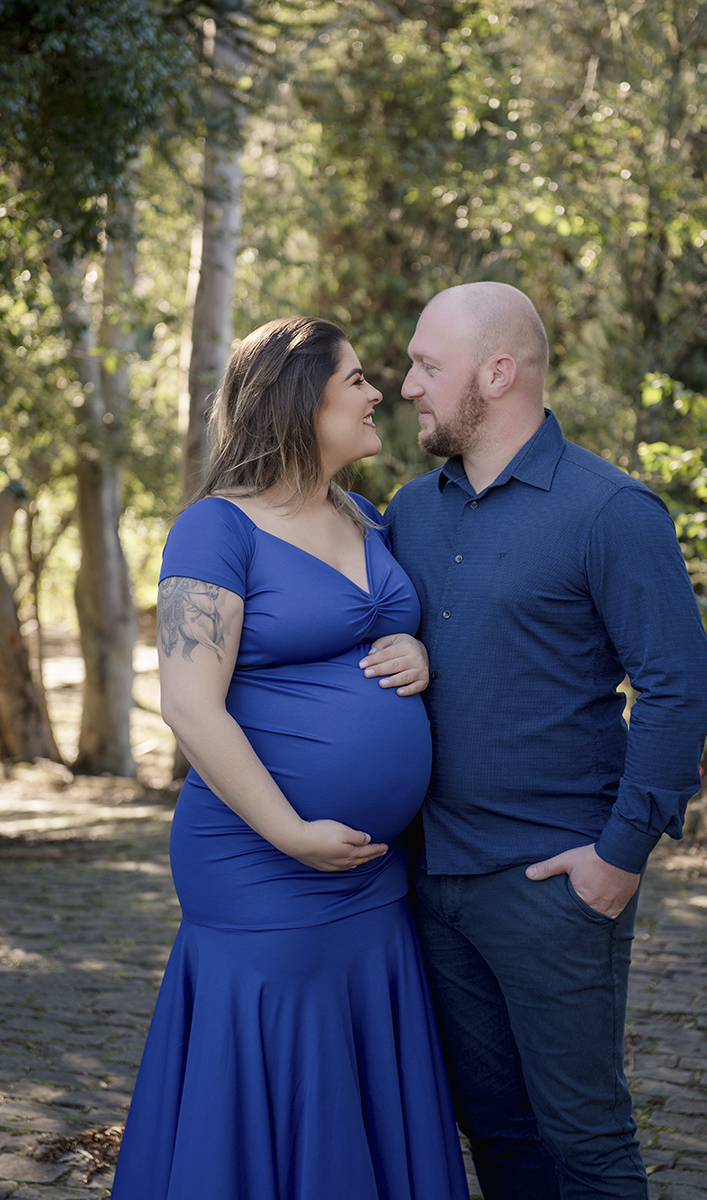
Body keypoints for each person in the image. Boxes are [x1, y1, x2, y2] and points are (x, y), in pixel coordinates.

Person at [366, 282, 707, 1199]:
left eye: (426, 366)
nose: (407, 386)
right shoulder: (411, 509)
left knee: (586, 1142)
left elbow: (679, 689)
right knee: (497, 1135)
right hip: (433, 881)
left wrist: (621, 855)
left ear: (499, 372)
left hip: (553, 885)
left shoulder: (611, 511)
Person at [111, 317, 469, 1200]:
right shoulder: (215, 531)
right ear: (301, 398)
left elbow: (388, 634)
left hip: (370, 878)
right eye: (355, 379)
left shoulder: (366, 518)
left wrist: (416, 653)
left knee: (357, 1077)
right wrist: (291, 832)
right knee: (271, 1076)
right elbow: (190, 706)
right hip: (262, 863)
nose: (378, 391)